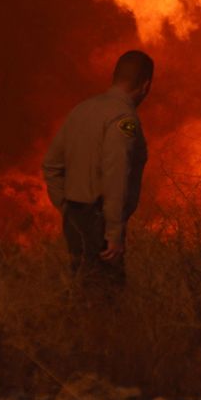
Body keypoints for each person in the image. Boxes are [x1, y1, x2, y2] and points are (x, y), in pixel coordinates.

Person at [42, 49, 154, 289]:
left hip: (75, 216)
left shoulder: (81, 110)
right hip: (100, 222)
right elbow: (117, 176)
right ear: (145, 86)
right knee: (105, 298)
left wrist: (67, 207)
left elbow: (51, 165)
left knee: (81, 289)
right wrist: (113, 232)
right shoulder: (124, 119)